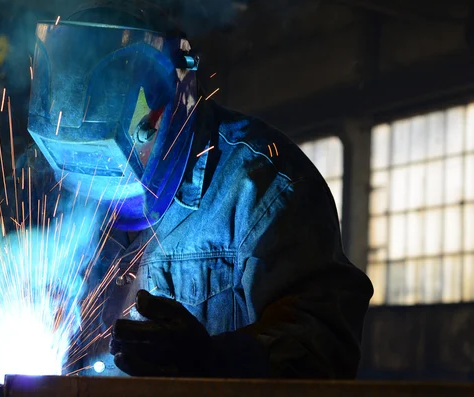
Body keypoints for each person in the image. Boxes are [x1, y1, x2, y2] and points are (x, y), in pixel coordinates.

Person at [23, 1, 373, 379]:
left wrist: (217, 360)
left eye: (122, 152)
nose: (99, 182)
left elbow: (326, 344)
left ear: (173, 106)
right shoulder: (63, 185)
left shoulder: (262, 187)